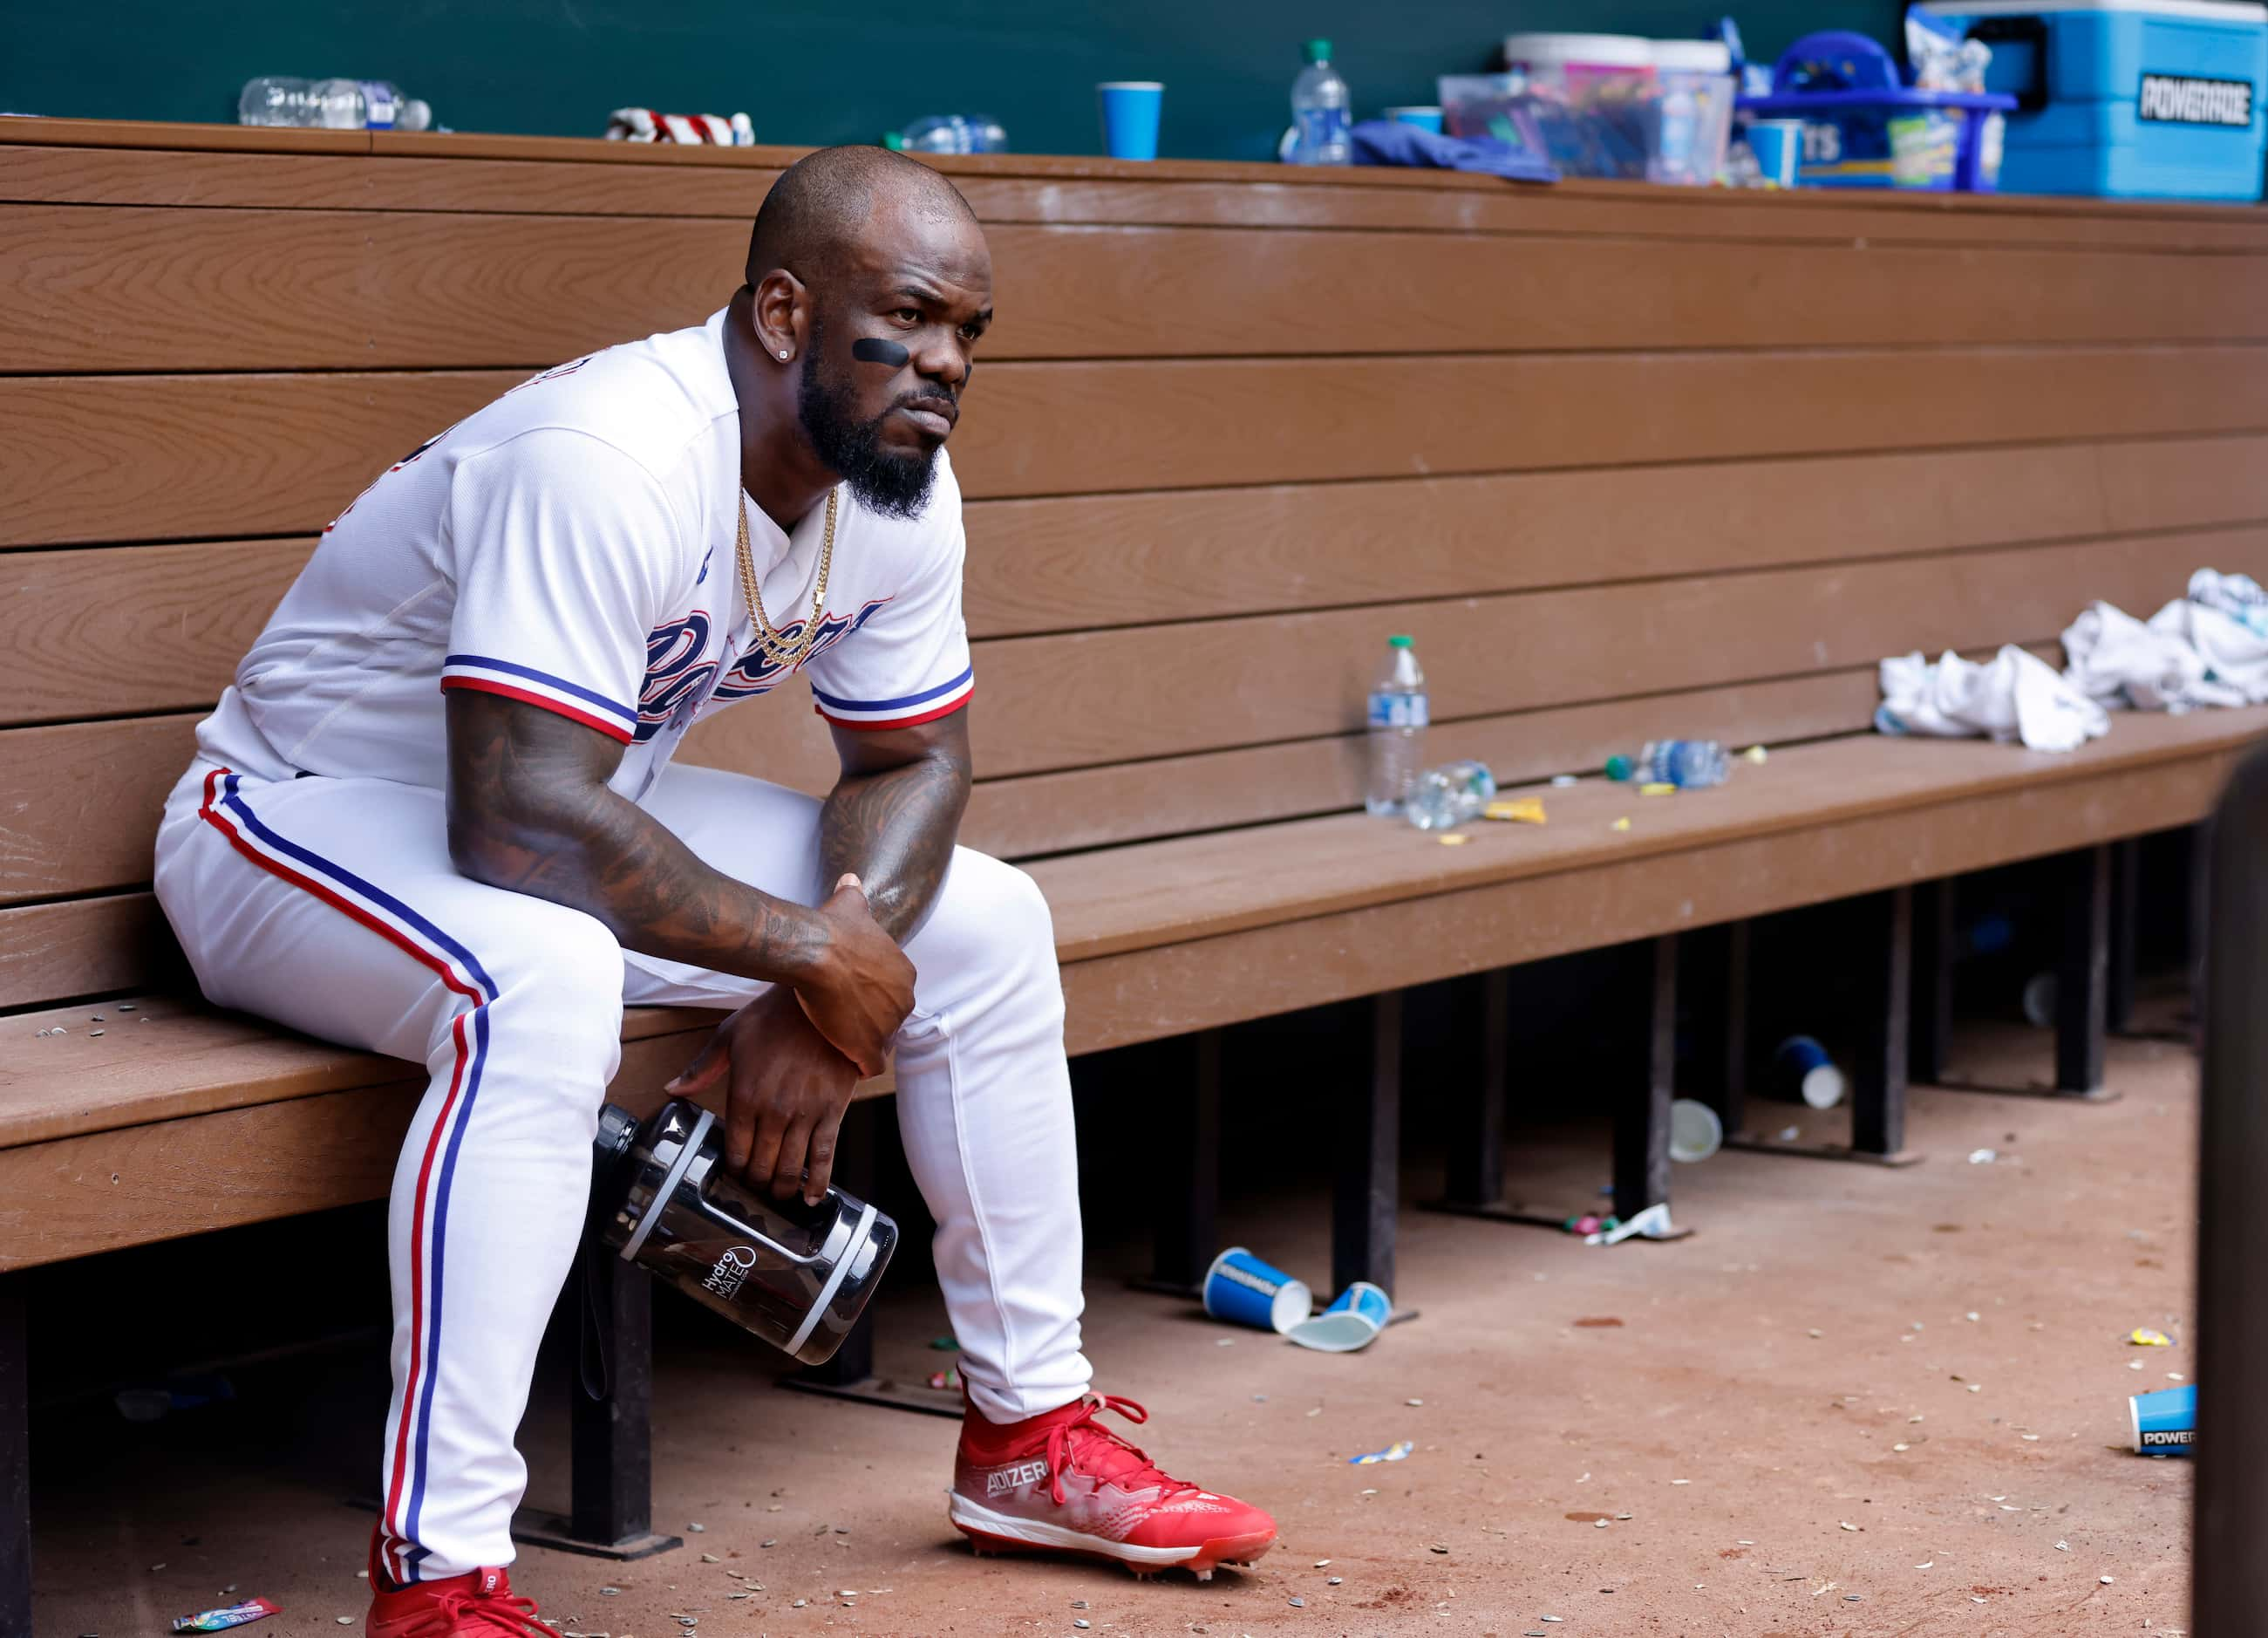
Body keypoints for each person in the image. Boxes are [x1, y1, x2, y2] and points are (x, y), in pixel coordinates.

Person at [152, 145, 1277, 1638]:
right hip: (289, 821)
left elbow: (914, 763)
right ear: (782, 313)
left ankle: (1030, 1440)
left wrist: (833, 983)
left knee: (990, 924)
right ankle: (442, 1582)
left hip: (543, 817)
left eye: (968, 333)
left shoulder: (894, 486)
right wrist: (807, 949)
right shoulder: (611, 452)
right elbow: (514, 826)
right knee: (536, 977)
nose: (944, 363)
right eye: (911, 318)